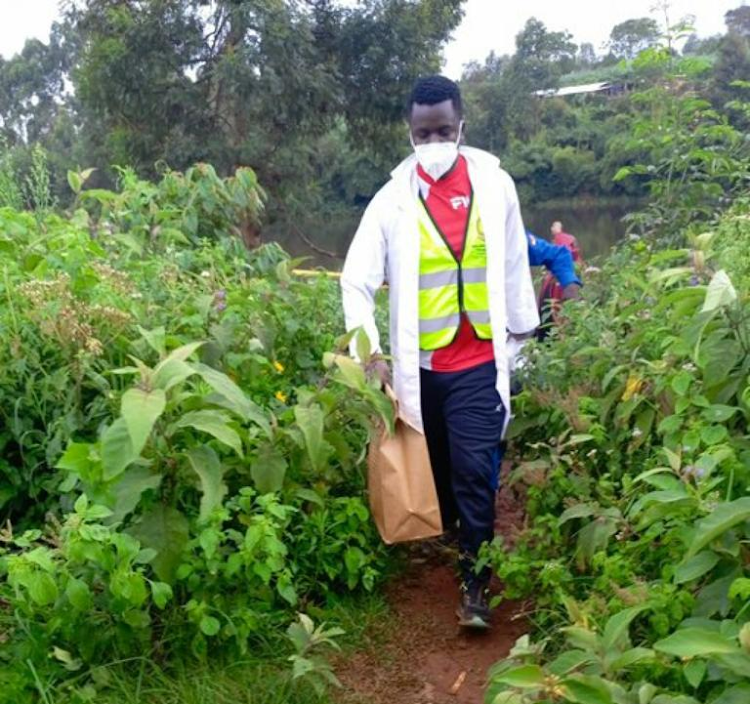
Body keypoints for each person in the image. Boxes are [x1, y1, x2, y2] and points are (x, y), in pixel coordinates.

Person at [340, 75, 539, 629]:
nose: (434, 143)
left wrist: (522, 338)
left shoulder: (496, 186)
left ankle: (475, 585)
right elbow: (355, 281)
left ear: (461, 127)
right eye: (423, 133)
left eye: (443, 131)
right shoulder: (391, 201)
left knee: (476, 470)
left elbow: (513, 264)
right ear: (410, 134)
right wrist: (371, 351)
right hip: (422, 368)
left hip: (478, 360)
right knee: (442, 468)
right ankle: (455, 536)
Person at [537, 221, 584, 336]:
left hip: (554, 330)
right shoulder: (573, 273)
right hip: (553, 328)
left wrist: (558, 233)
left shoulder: (560, 276)